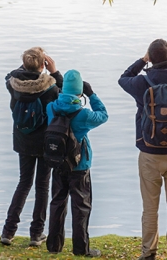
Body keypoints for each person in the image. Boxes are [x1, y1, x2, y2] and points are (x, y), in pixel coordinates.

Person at [0, 47, 63, 246]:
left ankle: (8, 232)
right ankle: (36, 234)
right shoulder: (50, 87)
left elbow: (10, 75)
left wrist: (29, 64)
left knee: (23, 183)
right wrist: (54, 72)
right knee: (42, 187)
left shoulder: (14, 85)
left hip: (23, 140)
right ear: (43, 64)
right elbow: (64, 96)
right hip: (45, 142)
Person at [46, 70, 108, 257]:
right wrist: (92, 94)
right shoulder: (84, 115)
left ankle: (54, 246)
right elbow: (103, 115)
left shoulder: (51, 108)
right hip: (79, 166)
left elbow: (59, 98)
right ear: (80, 92)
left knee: (57, 202)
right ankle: (81, 249)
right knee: (81, 207)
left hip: (57, 163)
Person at [118, 39, 167, 260]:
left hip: (149, 152)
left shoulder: (141, 83)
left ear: (151, 57)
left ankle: (149, 253)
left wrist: (141, 60)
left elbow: (123, 79)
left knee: (150, 208)